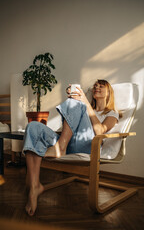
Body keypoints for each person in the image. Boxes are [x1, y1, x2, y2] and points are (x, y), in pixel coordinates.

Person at [23, 79, 119, 216]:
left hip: (87, 146)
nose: (96, 87)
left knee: (75, 103)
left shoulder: (112, 113)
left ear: (109, 92)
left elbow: (100, 130)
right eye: (95, 86)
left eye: (101, 86)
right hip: (67, 141)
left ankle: (60, 147)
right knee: (33, 127)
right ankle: (35, 186)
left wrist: (84, 103)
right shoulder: (81, 107)